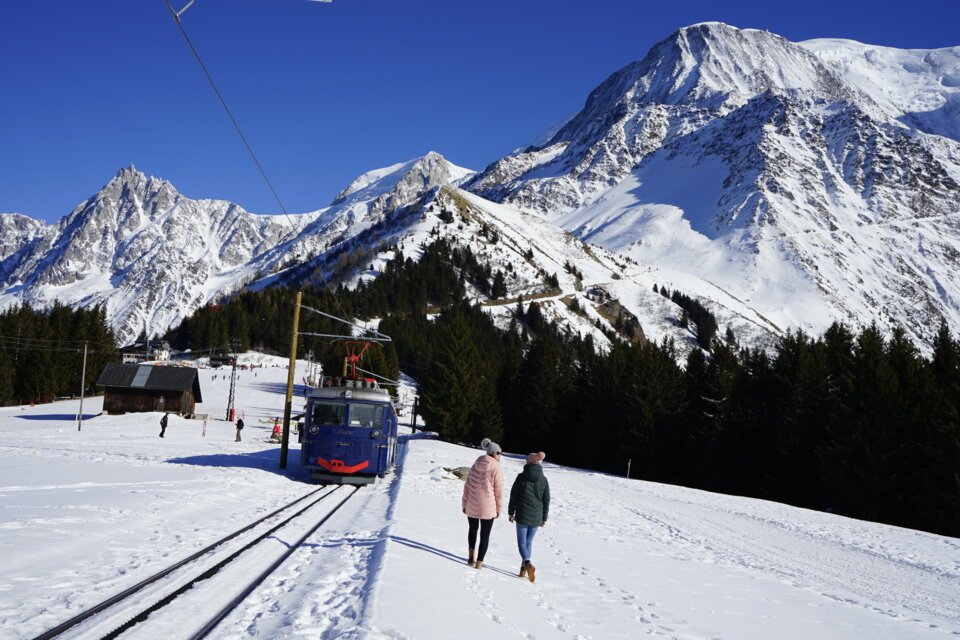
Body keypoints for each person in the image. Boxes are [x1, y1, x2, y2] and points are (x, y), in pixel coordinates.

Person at [461, 437, 504, 570]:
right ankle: (479, 562)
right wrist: (499, 508)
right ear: (493, 453)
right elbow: (499, 491)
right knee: (485, 535)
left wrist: (464, 503)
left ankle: (470, 557)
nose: (500, 456)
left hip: (472, 503)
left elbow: (467, 486)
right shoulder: (496, 468)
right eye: (499, 453)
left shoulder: (475, 465)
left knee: (472, 530)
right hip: (488, 506)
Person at [508, 451, 550, 583]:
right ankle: (523, 571)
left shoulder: (521, 477)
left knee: (521, 543)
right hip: (536, 516)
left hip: (522, 513)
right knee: (528, 542)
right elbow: (546, 500)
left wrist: (511, 512)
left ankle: (527, 562)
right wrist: (544, 518)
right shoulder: (544, 479)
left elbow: (513, 495)